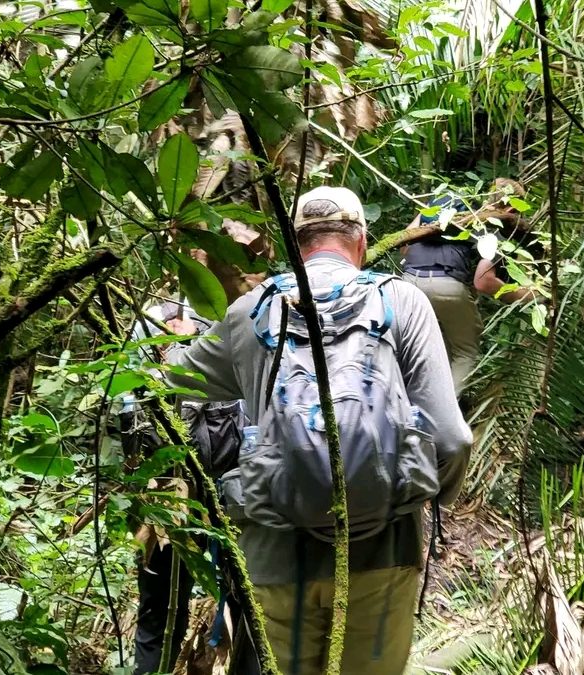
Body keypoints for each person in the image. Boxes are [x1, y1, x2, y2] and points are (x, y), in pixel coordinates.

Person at [164, 185, 473, 675]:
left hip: (274, 550)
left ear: (295, 243)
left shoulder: (249, 311)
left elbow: (174, 382)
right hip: (383, 550)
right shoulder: (402, 302)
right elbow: (453, 439)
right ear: (362, 241)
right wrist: (425, 495)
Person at [120, 302, 253, 675]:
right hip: (175, 488)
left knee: (244, 600)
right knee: (162, 604)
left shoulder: (241, 314)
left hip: (217, 485)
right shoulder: (157, 317)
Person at [401, 178, 539, 395]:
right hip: (446, 288)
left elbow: (405, 245)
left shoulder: (444, 206)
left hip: (406, 285)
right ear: (512, 208)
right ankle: (440, 414)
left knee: (409, 348)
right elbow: (484, 282)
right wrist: (532, 295)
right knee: (465, 352)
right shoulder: (492, 229)